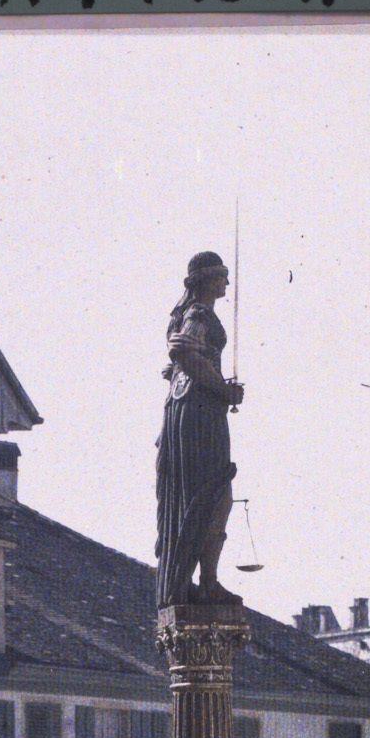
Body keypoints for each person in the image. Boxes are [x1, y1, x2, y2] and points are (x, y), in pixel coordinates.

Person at [154, 250, 244, 607]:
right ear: (207, 279)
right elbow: (184, 354)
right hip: (199, 413)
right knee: (214, 493)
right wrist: (223, 389)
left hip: (189, 409)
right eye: (222, 276)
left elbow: (176, 365)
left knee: (204, 493)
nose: (227, 282)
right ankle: (205, 580)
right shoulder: (199, 314)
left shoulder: (185, 314)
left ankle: (197, 579)